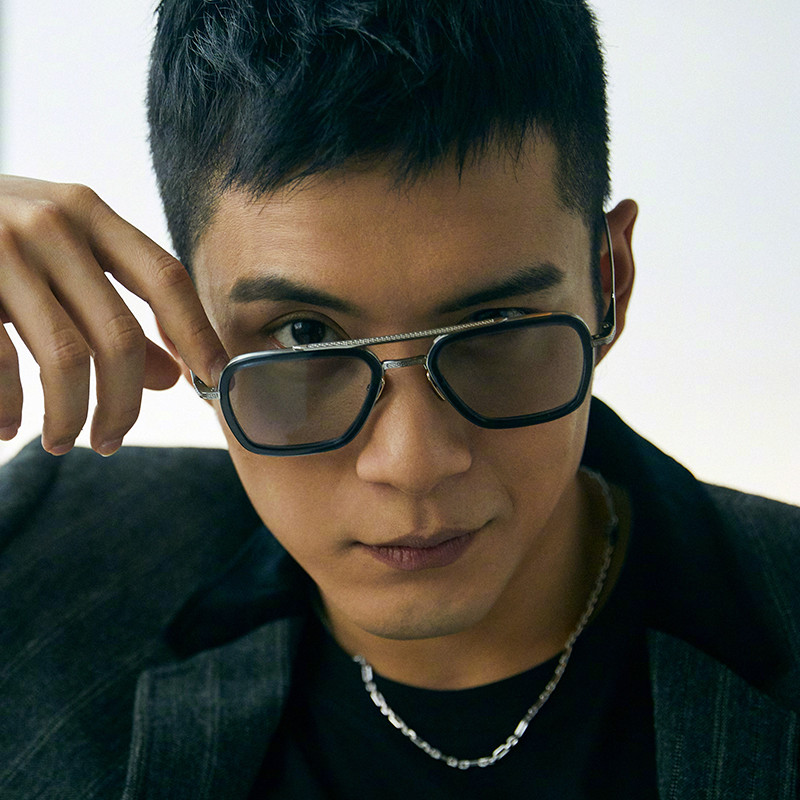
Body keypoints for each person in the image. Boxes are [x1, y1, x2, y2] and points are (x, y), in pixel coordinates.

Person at [0, 1, 797, 798]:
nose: (413, 463)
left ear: (608, 284)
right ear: (180, 325)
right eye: (306, 335)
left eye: (494, 323)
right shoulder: (39, 552)